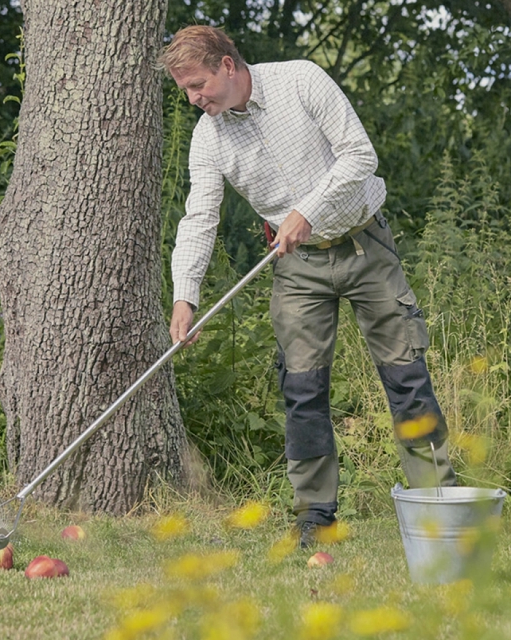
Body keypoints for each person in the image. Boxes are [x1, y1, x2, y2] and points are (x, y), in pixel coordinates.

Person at [158, 25, 455, 546]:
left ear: (228, 65)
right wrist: (186, 296)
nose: (194, 99)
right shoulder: (209, 136)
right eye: (185, 90)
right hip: (296, 267)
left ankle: (437, 504)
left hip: (366, 246)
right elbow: (199, 216)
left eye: (198, 84)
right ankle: (316, 517)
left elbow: (360, 156)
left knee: (406, 376)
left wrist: (307, 212)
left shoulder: (301, 80)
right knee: (302, 389)